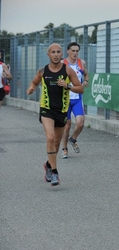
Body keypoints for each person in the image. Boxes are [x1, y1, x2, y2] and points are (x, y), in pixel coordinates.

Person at [26, 43, 84, 186]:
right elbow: (34, 82)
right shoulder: (43, 71)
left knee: (56, 142)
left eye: (58, 52)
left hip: (62, 110)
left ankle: (48, 165)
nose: (56, 54)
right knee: (50, 138)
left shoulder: (68, 71)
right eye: (53, 52)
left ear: (61, 55)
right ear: (48, 55)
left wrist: (67, 85)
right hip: (46, 109)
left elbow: (80, 89)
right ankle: (55, 173)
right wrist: (31, 88)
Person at [60, 42, 89, 159]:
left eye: (77, 51)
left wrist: (86, 81)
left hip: (77, 98)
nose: (75, 53)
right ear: (68, 51)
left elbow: (86, 74)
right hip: (66, 99)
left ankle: (73, 139)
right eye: (73, 51)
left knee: (81, 123)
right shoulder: (63, 63)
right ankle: (64, 148)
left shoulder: (82, 63)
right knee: (67, 126)